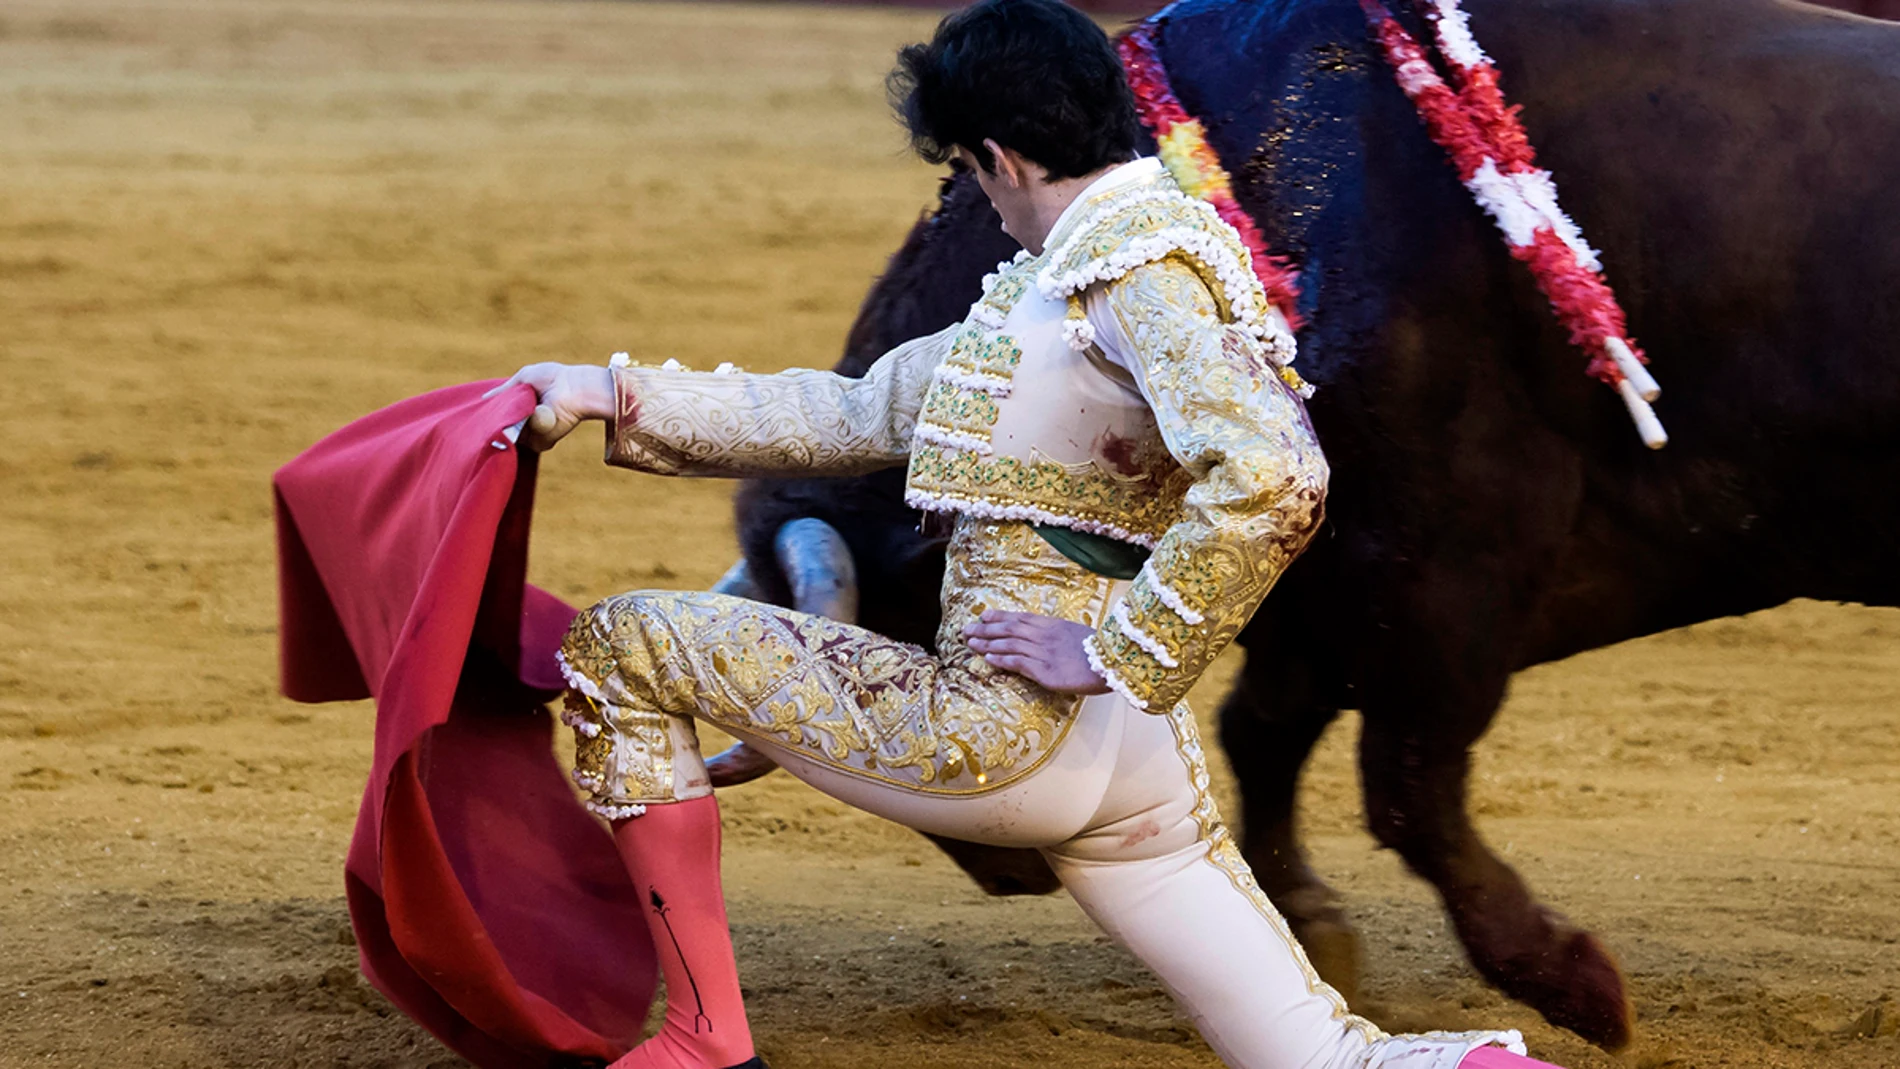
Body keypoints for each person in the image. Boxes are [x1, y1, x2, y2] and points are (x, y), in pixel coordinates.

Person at [491, 2, 1568, 1068]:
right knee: (1332, 1060)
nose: (973, 193)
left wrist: (1118, 648)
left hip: (1006, 728)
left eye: (964, 170)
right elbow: (854, 414)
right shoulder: (1078, 280)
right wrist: (608, 393)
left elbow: (1276, 474)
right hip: (1129, 762)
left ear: (997, 157)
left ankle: (703, 1037)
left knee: (624, 644)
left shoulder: (1130, 277)